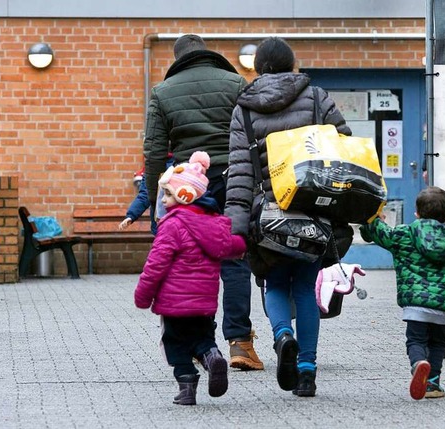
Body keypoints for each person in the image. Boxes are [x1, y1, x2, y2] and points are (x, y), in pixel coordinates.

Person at [224, 37, 351, 397]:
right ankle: (307, 371)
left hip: (267, 216)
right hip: (313, 210)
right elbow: (343, 145)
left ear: (258, 67)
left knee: (275, 283)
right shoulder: (316, 97)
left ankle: (283, 337)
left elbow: (239, 173)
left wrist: (235, 226)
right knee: (306, 291)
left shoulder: (244, 110)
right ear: (293, 64)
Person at [142, 34, 263, 370]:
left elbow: (153, 151)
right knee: (236, 259)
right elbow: (254, 135)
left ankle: (201, 343)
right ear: (208, 55)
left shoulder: (162, 92)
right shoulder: (235, 82)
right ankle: (240, 343)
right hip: (235, 179)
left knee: (191, 262)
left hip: (188, 185)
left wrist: (157, 198)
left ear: (178, 59)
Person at [360, 186, 445, 400]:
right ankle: (432, 384)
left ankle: (418, 364)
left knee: (416, 341)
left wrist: (374, 219)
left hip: (415, 305)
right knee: (438, 343)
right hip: (443, 307)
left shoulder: (404, 234)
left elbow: (379, 233)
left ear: (417, 214)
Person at [134, 151, 247, 406]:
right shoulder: (215, 223)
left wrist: (143, 295)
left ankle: (186, 388)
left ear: (184, 195)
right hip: (204, 304)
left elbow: (156, 264)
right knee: (202, 338)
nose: (163, 200)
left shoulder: (171, 225)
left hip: (173, 305)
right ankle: (211, 356)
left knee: (175, 344)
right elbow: (231, 246)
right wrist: (243, 244)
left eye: (168, 195)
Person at [119, 155, 174, 235]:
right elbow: (145, 195)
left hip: (174, 223)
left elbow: (144, 195)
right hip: (160, 225)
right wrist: (131, 215)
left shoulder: (181, 164)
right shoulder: (152, 166)